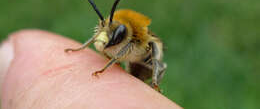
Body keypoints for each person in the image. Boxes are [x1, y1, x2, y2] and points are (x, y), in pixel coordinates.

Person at [0, 30, 181, 109]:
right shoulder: (117, 33)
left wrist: (105, 68)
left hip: (145, 66)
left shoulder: (136, 39)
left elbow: (154, 46)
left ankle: (155, 83)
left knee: (154, 50)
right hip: (130, 65)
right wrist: (80, 49)